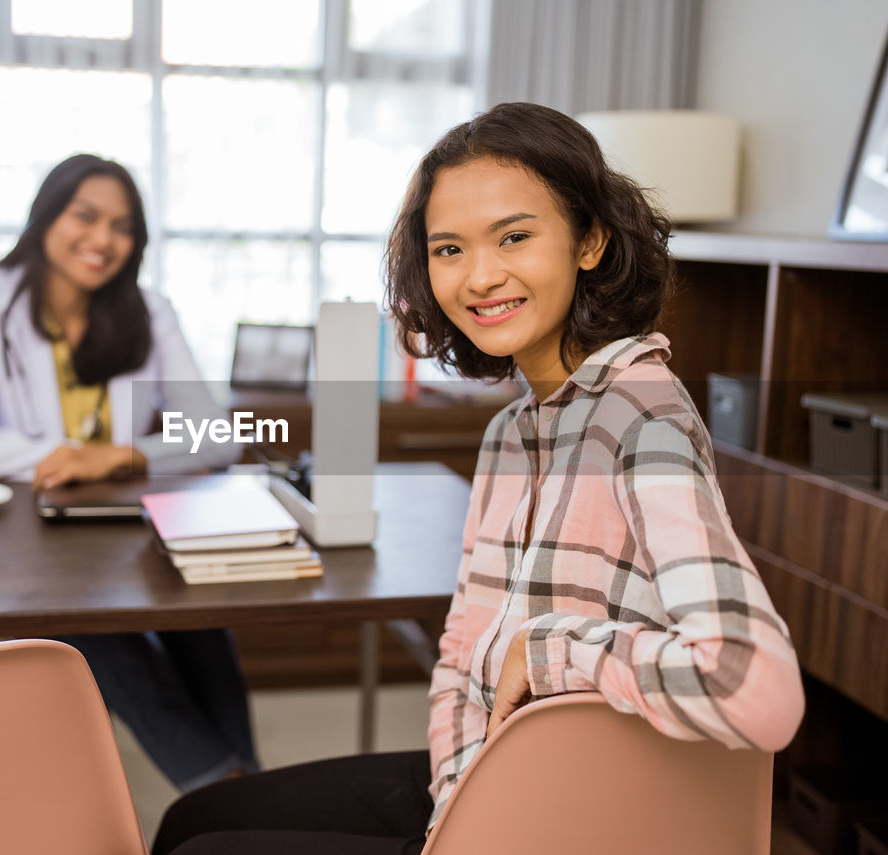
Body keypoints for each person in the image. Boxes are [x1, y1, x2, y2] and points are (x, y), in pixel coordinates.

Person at [151, 102, 805, 855]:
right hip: (499, 786)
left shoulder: (641, 419)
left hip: (588, 813)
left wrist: (552, 646)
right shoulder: (511, 432)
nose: (481, 275)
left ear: (589, 239)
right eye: (450, 248)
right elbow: (464, 654)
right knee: (192, 819)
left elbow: (754, 685)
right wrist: (454, 810)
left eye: (515, 237)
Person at [0, 154, 259, 792]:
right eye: (86, 216)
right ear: (47, 216)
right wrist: (63, 457)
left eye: (123, 226)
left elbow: (219, 433)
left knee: (196, 607)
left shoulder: (148, 309)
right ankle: (223, 785)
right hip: (32, 541)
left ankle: (245, 790)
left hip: (132, 523)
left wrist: (123, 455)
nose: (103, 239)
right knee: (91, 619)